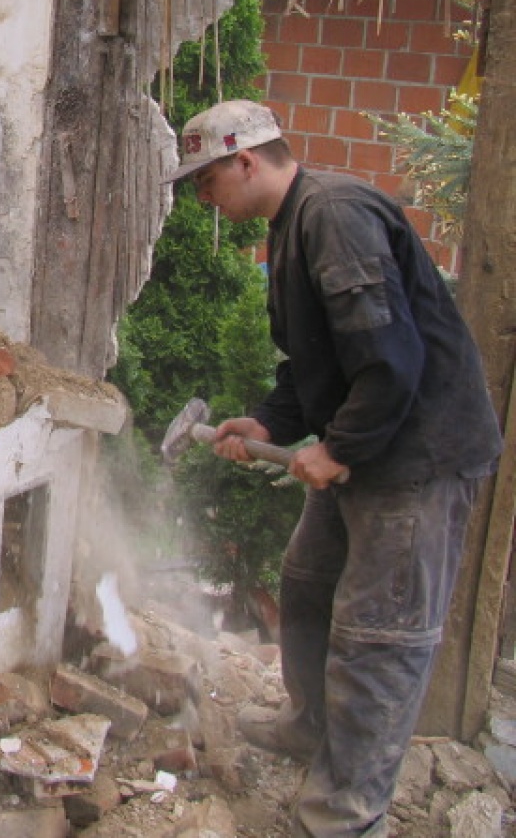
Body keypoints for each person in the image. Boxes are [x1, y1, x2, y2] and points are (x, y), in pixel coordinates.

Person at [165, 99, 500, 838]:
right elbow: (311, 363)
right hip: (371, 445)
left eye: (206, 178)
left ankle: (344, 814)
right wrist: (271, 424)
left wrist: (339, 448)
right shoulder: (290, 231)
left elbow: (390, 360)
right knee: (308, 581)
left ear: (246, 160)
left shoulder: (335, 216)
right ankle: (311, 723)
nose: (201, 196)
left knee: (378, 637)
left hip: (417, 456)